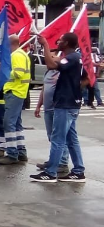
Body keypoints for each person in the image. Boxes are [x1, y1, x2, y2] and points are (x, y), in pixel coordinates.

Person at [31, 33, 86, 183]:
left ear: (66, 43)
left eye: (61, 40)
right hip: (71, 103)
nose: (59, 42)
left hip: (66, 104)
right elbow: (85, 77)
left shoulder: (72, 57)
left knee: (58, 138)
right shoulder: (76, 58)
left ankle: (51, 172)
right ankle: (78, 171)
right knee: (71, 138)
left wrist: (46, 45)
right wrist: (76, 88)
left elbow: (52, 65)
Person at [0, 35, 31, 166]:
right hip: (18, 91)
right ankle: (21, 152)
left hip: (15, 91)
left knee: (8, 123)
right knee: (16, 124)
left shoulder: (16, 55)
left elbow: (18, 74)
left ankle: (12, 154)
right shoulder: (21, 54)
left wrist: (3, 69)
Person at [33, 58, 70, 175]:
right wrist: (39, 105)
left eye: (51, 57)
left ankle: (62, 163)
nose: (48, 60)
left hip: (58, 108)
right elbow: (44, 89)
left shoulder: (62, 72)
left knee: (60, 137)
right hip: (48, 109)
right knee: (52, 137)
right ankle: (53, 160)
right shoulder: (47, 72)